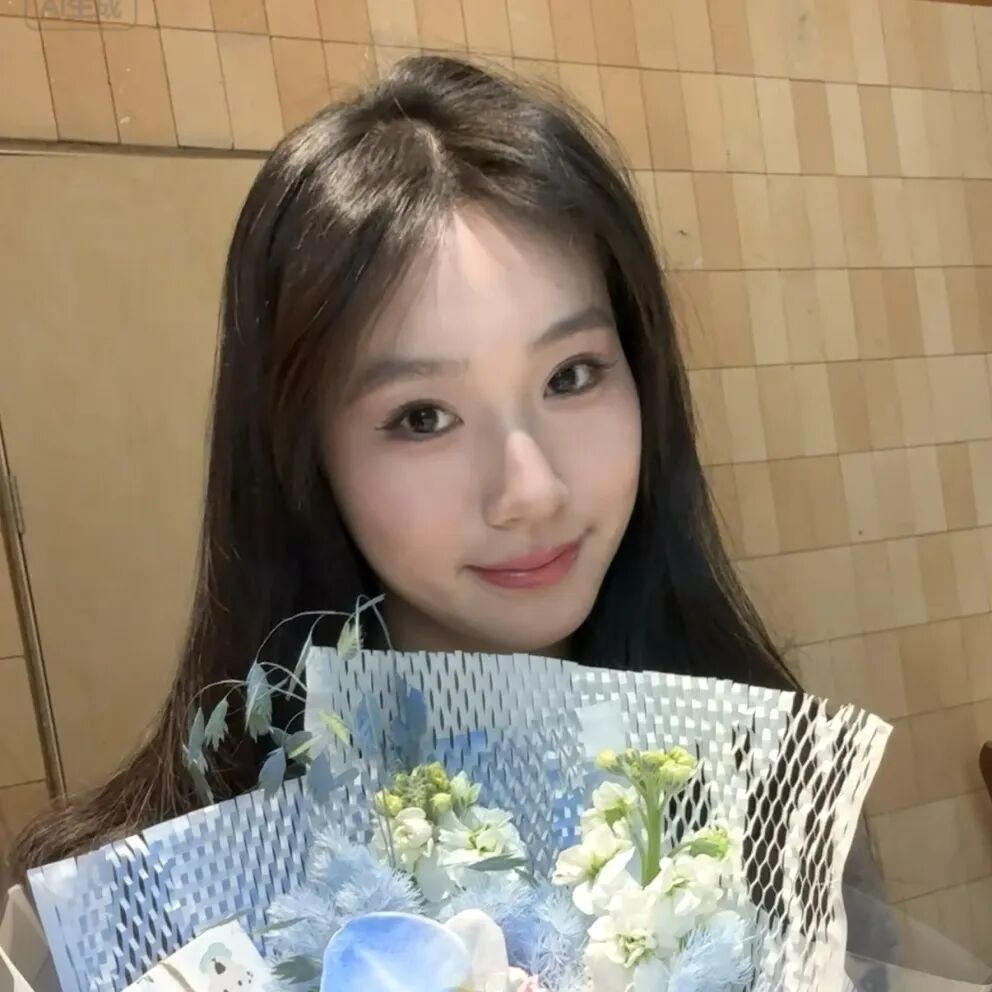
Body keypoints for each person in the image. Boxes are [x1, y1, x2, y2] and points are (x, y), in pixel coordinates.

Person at [6, 60, 890, 967]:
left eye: (571, 375)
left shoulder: (774, 810)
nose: (531, 489)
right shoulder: (146, 915)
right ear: (301, 457)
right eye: (423, 417)